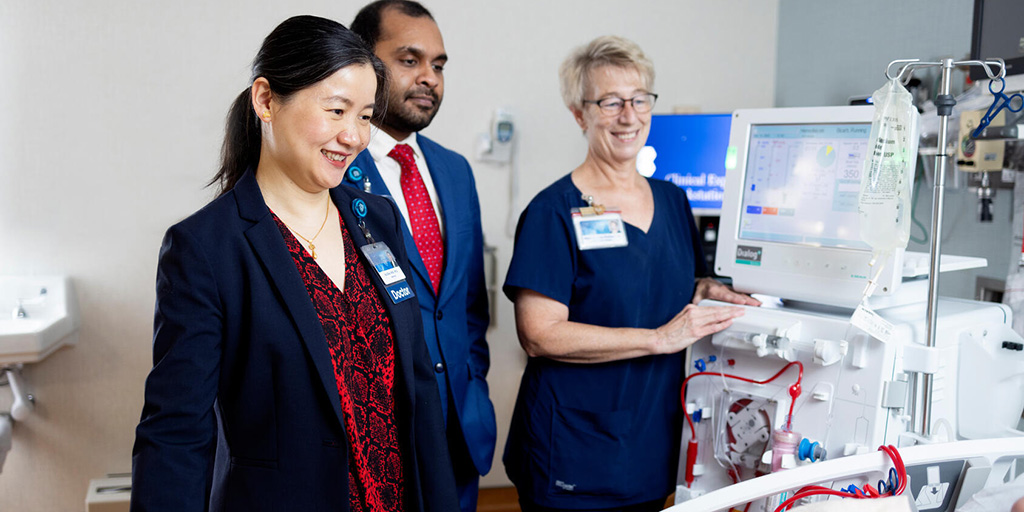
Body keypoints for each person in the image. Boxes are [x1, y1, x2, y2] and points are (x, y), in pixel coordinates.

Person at [130, 15, 459, 512]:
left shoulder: (378, 221)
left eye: (366, 116)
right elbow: (176, 432)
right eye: (335, 110)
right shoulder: (207, 248)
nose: (353, 136)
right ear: (266, 100)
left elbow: (417, 387)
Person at [502, 35, 760, 512]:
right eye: (611, 102)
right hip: (574, 448)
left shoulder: (673, 200)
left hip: (650, 439)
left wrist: (711, 292)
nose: (629, 115)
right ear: (579, 114)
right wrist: (658, 338)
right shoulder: (553, 212)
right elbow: (539, 335)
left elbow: (676, 278)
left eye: (640, 99)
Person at [348, 3, 496, 511]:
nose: (429, 78)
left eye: (439, 65)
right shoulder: (333, 170)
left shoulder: (455, 172)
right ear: (363, 62)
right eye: (410, 60)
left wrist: (474, 383)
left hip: (460, 429)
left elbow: (469, 305)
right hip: (379, 438)